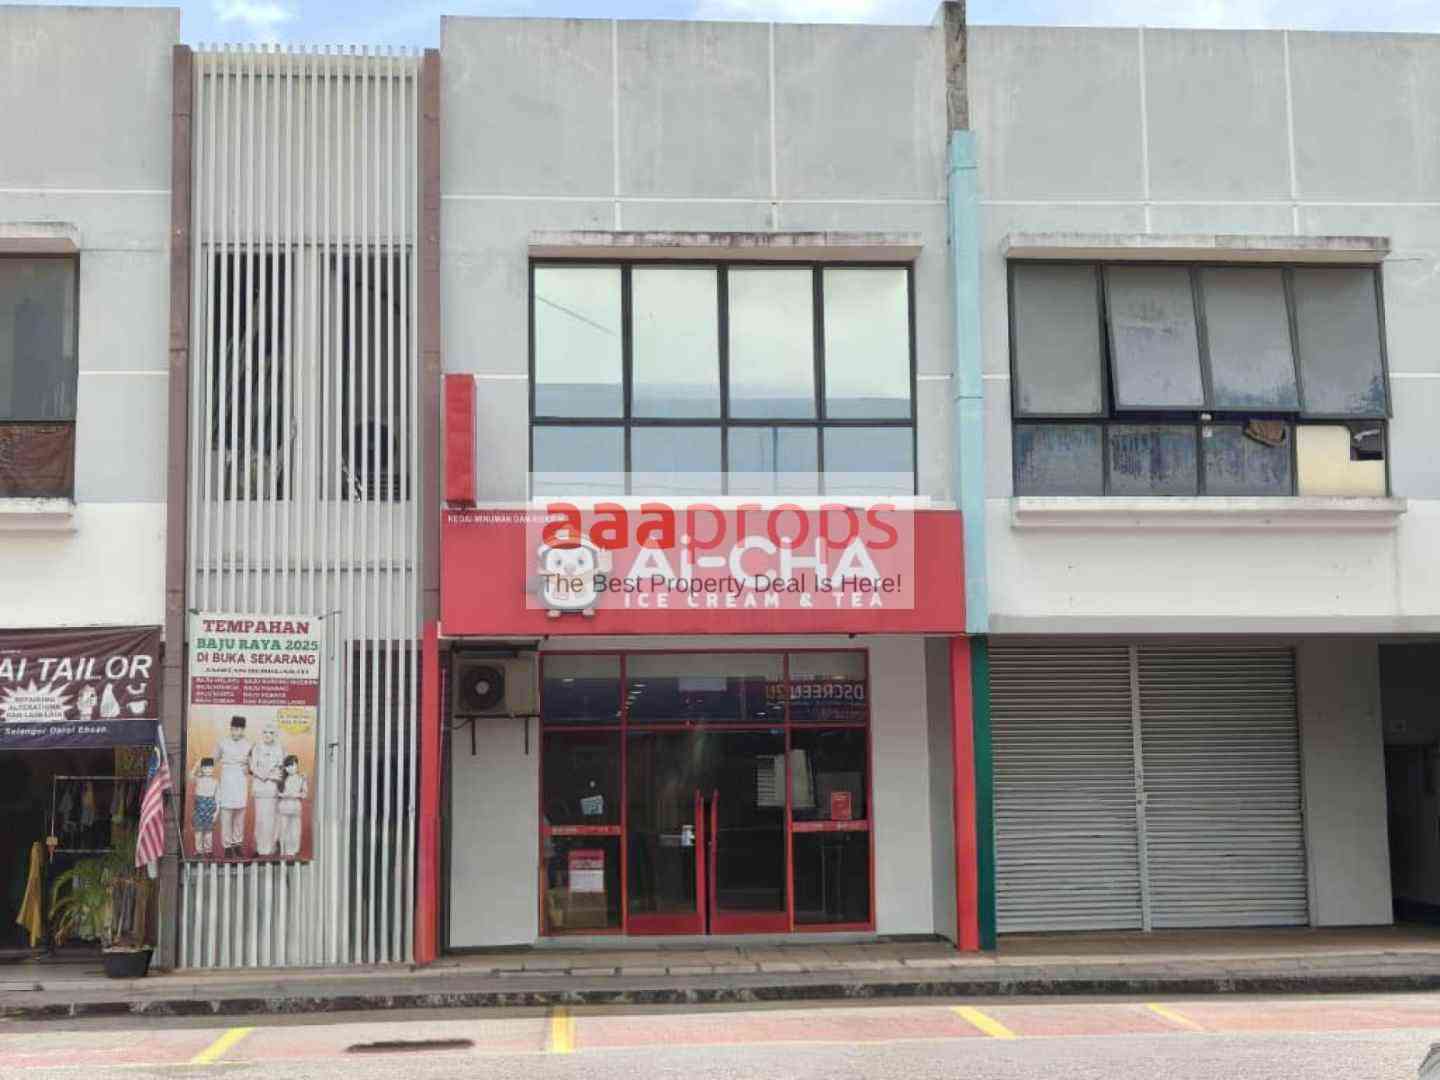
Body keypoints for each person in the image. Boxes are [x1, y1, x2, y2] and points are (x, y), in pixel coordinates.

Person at [217, 715, 253, 859]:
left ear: (243, 730)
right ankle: (227, 846)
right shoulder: (222, 743)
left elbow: (253, 765)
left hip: (241, 780)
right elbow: (213, 759)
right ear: (230, 728)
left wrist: (248, 769)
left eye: (238, 729)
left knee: (239, 814)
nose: (235, 731)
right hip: (227, 778)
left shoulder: (249, 745)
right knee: (226, 814)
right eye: (233, 728)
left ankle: (237, 844)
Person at [248, 721, 285, 857]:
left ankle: (272, 848)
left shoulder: (280, 748)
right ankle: (260, 848)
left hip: (273, 789)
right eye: (265, 732)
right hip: (260, 788)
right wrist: (267, 775)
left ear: (275, 735)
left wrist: (273, 776)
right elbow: (253, 767)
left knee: (272, 819)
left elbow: (281, 768)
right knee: (260, 819)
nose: (268, 735)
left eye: (271, 733)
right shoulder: (256, 747)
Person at [277, 754, 308, 859]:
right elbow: (278, 794)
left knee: (295, 830)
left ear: (297, 765)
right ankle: (283, 850)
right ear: (285, 768)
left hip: (295, 807)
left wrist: (296, 795)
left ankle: (293, 851)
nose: (291, 768)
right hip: (284, 807)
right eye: (288, 766)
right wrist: (285, 795)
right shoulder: (283, 779)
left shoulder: (301, 778)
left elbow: (305, 794)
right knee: (283, 829)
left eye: (293, 765)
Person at [190, 758, 218, 857]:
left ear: (213, 768)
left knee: (208, 832)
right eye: (205, 768)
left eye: (210, 768)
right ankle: (199, 851)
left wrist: (216, 813)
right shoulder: (198, 779)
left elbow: (218, 798)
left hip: (210, 809)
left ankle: (208, 850)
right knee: (198, 832)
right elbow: (190, 776)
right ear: (202, 769)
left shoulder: (215, 782)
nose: (208, 770)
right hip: (198, 809)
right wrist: (196, 766)